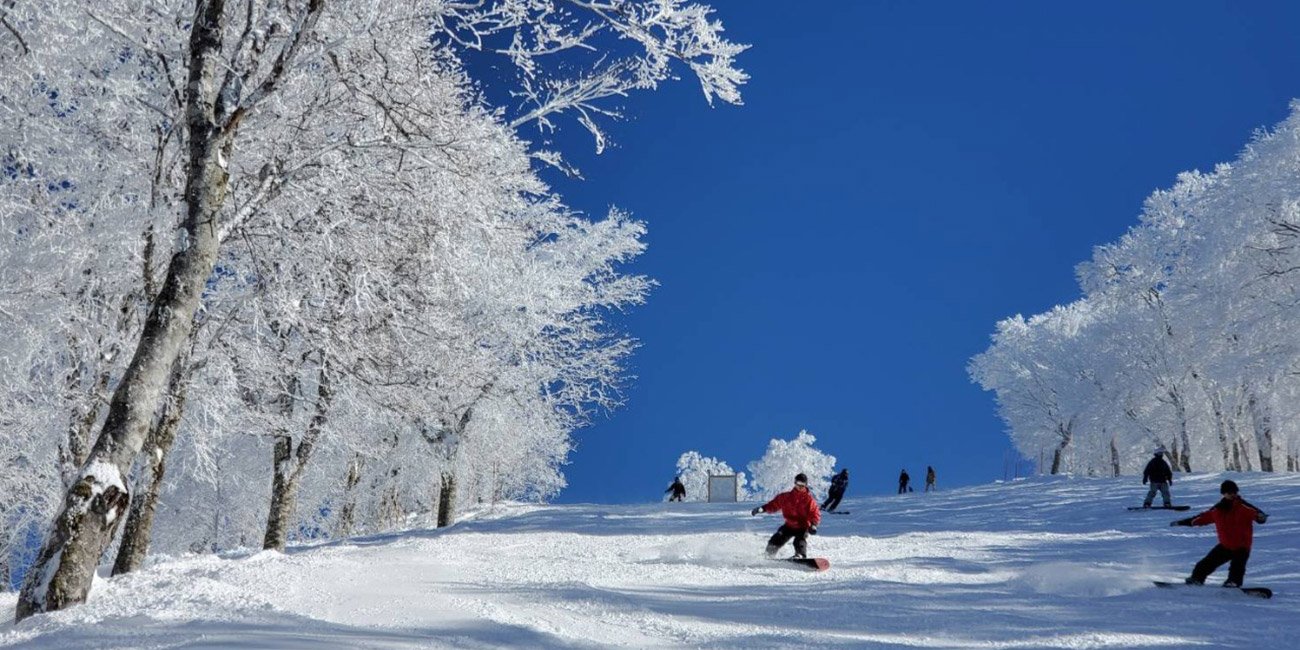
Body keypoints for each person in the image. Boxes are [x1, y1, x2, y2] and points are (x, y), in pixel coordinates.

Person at [1171, 479, 1268, 588]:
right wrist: (1182, 522)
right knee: (1205, 564)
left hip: (1242, 545)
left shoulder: (1243, 506)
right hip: (1226, 545)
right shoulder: (1217, 509)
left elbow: (1258, 515)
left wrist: (1261, 517)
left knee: (1237, 567)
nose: (1233, 495)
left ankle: (1233, 583)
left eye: (1235, 492)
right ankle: (1196, 580)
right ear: (1223, 493)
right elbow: (1201, 518)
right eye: (1230, 493)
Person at [751, 472, 821, 558]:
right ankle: (768, 555)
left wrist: (813, 525)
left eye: (802, 484)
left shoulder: (809, 500)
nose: (800, 486)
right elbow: (773, 505)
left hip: (803, 527)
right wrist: (762, 509)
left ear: (806, 485)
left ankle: (800, 555)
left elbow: (814, 513)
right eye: (798, 483)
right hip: (789, 525)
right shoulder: (786, 497)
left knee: (799, 541)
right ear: (795, 483)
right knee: (777, 538)